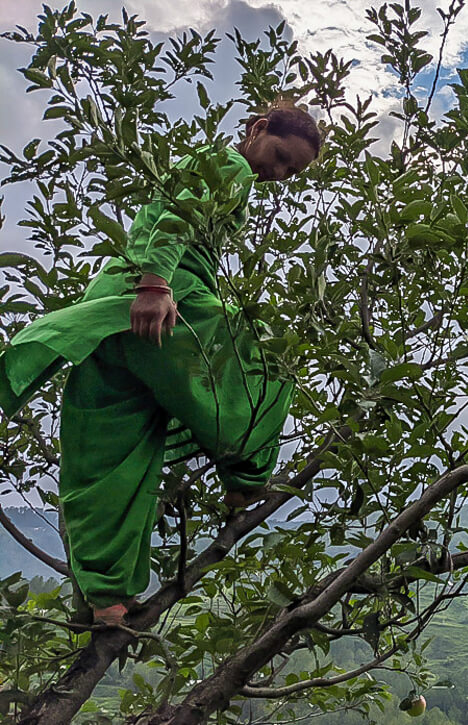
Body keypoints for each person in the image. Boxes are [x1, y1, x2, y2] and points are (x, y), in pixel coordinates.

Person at [0, 99, 321, 625]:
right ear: (258, 129)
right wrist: (155, 285)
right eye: (281, 156)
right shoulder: (230, 165)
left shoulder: (212, 165)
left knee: (107, 454)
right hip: (164, 304)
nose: (279, 174)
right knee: (265, 362)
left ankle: (105, 599)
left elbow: (164, 216)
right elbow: (178, 219)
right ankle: (244, 480)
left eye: (292, 172)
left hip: (108, 315)